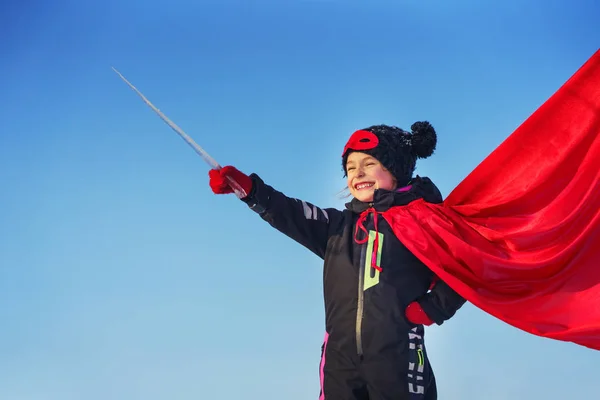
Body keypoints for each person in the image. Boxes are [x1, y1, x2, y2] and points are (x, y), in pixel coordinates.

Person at [208, 121, 466, 400]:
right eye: (351, 167)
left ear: (397, 169)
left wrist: (433, 308)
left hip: (398, 355)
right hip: (339, 359)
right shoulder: (337, 227)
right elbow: (290, 212)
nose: (358, 173)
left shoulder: (422, 223)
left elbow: (464, 266)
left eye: (369, 163)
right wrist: (249, 190)